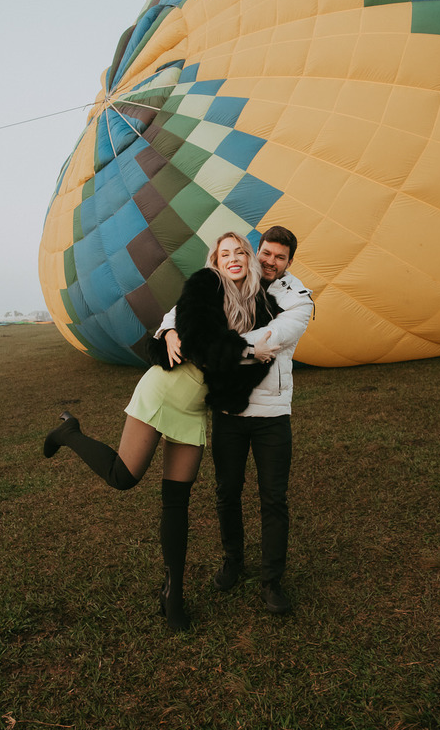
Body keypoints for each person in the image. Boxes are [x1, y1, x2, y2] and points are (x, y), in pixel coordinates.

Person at [42, 231, 281, 631]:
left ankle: (173, 595)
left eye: (240, 251)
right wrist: (242, 352)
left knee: (177, 503)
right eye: (226, 254)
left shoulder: (260, 304)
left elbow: (253, 360)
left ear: (250, 259)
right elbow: (203, 341)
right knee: (123, 476)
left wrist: (242, 359)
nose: (234, 258)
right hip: (164, 389)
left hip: (192, 409)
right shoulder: (205, 285)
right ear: (216, 261)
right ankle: (69, 433)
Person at [157, 226, 313, 614]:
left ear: (290, 261)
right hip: (229, 408)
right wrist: (171, 329)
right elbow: (186, 306)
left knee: (273, 498)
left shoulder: (299, 301)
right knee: (227, 492)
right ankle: (233, 562)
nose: (270, 262)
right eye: (266, 254)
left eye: (280, 257)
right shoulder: (233, 278)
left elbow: (271, 340)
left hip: (272, 412)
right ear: (254, 252)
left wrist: (212, 348)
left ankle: (272, 580)